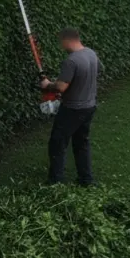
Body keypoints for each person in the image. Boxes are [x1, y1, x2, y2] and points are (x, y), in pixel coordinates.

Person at [40, 27, 100, 186]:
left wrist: (48, 84)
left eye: (61, 42)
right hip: (89, 106)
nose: (62, 45)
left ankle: (55, 182)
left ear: (67, 40)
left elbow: (61, 87)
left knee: (57, 143)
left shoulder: (71, 61)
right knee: (81, 143)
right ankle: (86, 179)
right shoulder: (91, 53)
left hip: (73, 109)